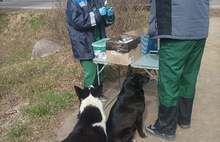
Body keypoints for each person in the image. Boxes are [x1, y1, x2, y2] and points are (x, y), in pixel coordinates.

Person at [145, 0, 209, 140]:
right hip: (200, 27)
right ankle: (184, 119)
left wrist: (153, 28)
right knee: (188, 78)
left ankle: (165, 128)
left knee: (169, 81)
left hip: (176, 30)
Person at [66, 0, 115, 101]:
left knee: (100, 69)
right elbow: (78, 21)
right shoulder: (73, 2)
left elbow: (102, 21)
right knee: (91, 72)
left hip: (99, 42)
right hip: (84, 44)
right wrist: (98, 14)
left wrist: (109, 16)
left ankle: (97, 94)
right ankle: (86, 98)